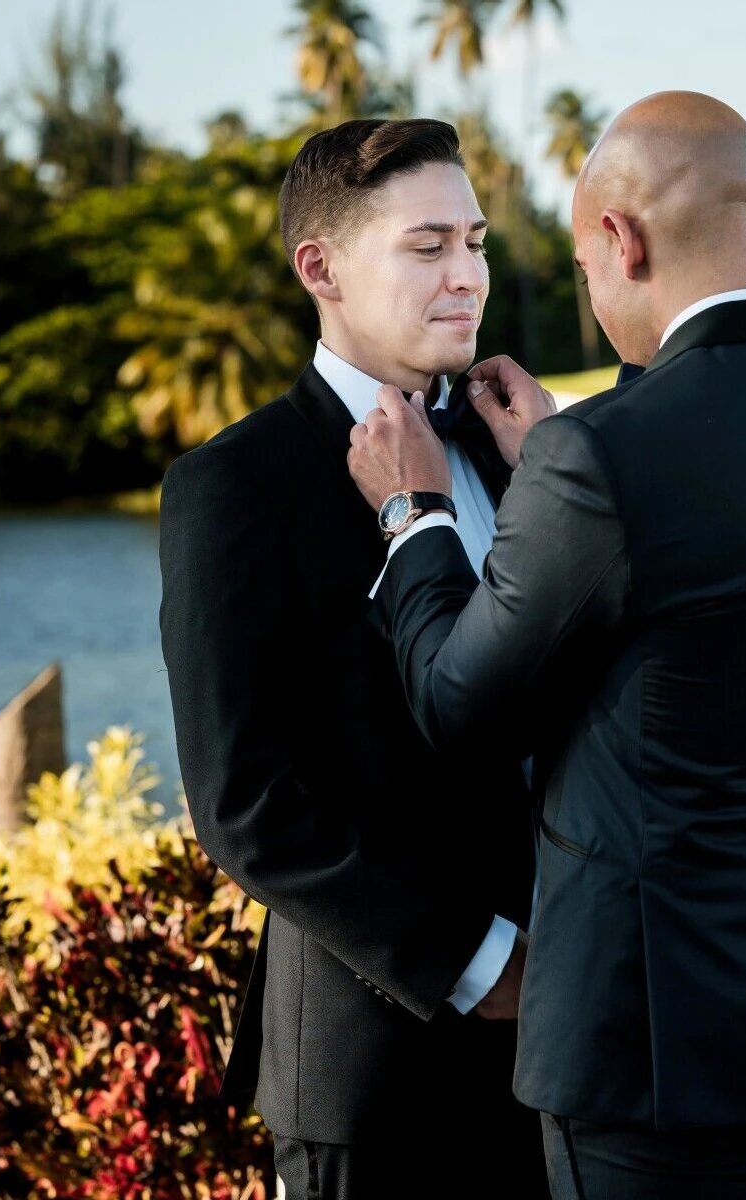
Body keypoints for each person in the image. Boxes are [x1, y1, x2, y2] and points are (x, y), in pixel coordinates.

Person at [346, 91, 746, 1198]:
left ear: (620, 241)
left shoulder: (601, 460)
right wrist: (566, 464)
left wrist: (416, 517)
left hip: (652, 1055)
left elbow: (454, 700)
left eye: (586, 267)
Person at [159, 118, 548, 1199]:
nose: (467, 275)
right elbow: (247, 806)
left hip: (568, 1053)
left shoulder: (515, 447)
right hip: (372, 1077)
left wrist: (558, 475)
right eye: (427, 248)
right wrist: (480, 965)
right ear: (320, 267)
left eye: (473, 242)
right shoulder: (234, 487)